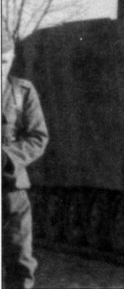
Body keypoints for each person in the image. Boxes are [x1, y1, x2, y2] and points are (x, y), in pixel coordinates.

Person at [2, 32, 48, 289]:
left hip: (12, 192)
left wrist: (7, 156)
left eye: (4, 61)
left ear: (12, 58)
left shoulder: (22, 92)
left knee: (20, 262)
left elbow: (38, 137)